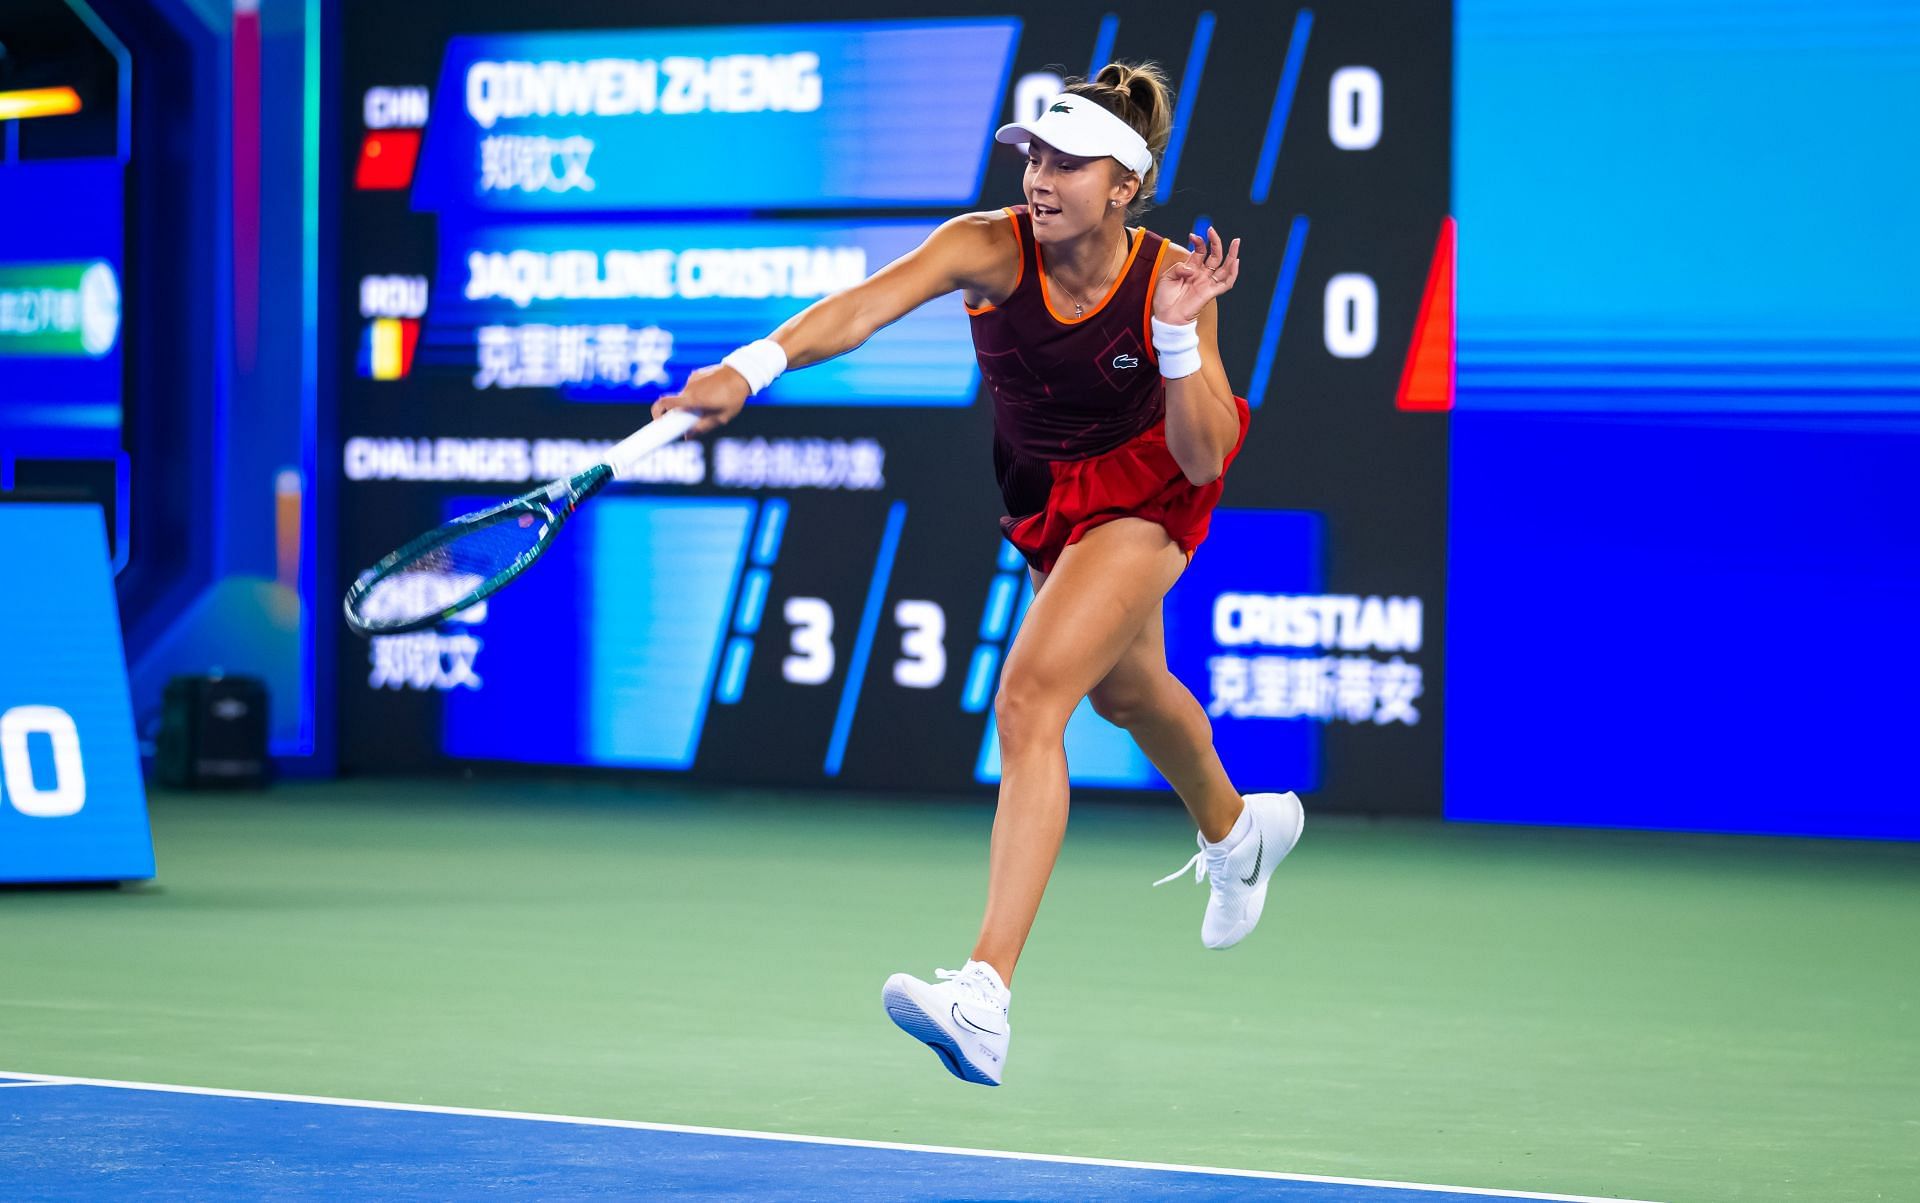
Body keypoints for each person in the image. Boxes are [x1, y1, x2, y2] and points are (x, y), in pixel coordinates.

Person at [653, 61, 1305, 1087]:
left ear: (1124, 187)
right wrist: (750, 368)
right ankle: (1238, 831)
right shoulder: (986, 246)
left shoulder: (1170, 278)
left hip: (1148, 489)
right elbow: (860, 310)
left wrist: (1177, 336)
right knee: (1130, 693)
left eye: (1067, 163)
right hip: (1052, 493)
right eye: (1032, 155)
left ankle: (985, 995)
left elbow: (1202, 456)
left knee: (1032, 696)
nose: (1040, 177)